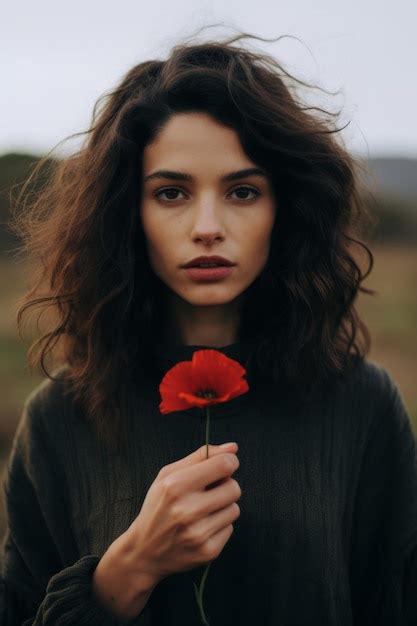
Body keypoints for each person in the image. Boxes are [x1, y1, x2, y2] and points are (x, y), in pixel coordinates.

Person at [1, 30, 417, 626]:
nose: (206, 226)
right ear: (129, 212)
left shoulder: (361, 404)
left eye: (243, 191)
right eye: (170, 192)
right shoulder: (60, 417)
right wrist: (128, 571)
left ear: (285, 208)